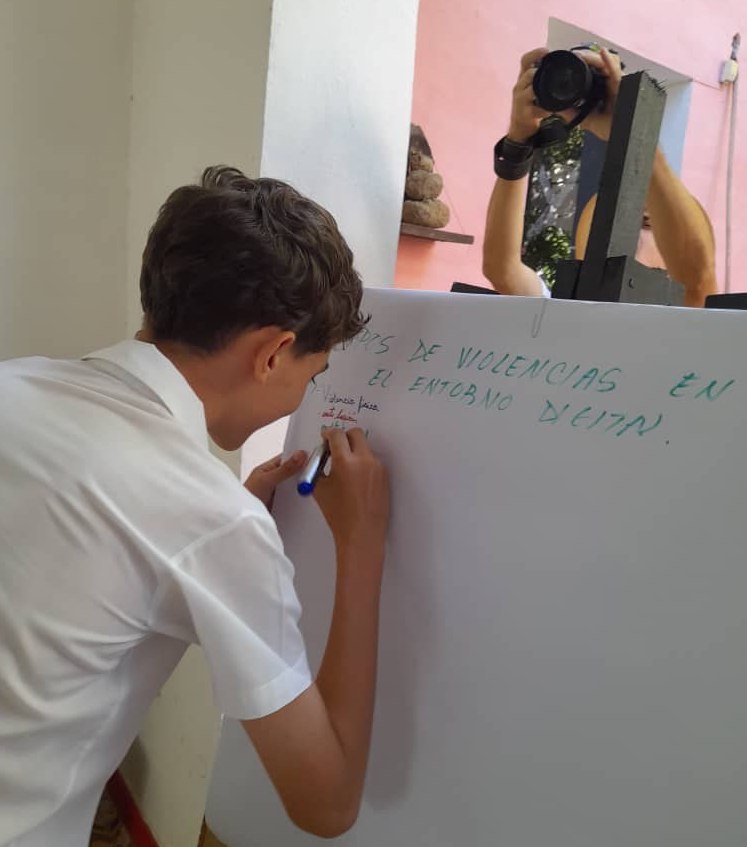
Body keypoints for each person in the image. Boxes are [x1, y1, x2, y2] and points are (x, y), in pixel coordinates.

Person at [0, 166, 389, 845]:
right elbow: (326, 806)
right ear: (273, 352)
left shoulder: (15, 383)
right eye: (314, 373)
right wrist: (361, 543)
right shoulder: (210, 520)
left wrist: (222, 524)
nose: (304, 397)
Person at [483, 46, 717, 308]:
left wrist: (632, 129)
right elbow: (502, 270)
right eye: (607, 219)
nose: (628, 237)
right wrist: (519, 140)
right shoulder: (568, 310)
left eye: (647, 223)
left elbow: (697, 280)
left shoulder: (685, 322)